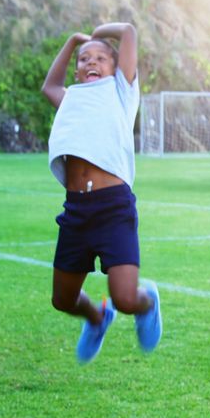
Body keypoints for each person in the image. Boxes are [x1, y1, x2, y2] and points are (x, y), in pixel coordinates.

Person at [41, 22, 161, 364]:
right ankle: (97, 318)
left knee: (125, 298)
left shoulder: (121, 93)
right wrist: (71, 42)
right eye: (83, 59)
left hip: (113, 208)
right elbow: (49, 85)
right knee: (63, 299)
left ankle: (147, 301)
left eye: (100, 58)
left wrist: (98, 30)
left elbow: (128, 31)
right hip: (77, 209)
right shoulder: (71, 100)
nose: (90, 62)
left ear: (114, 67)